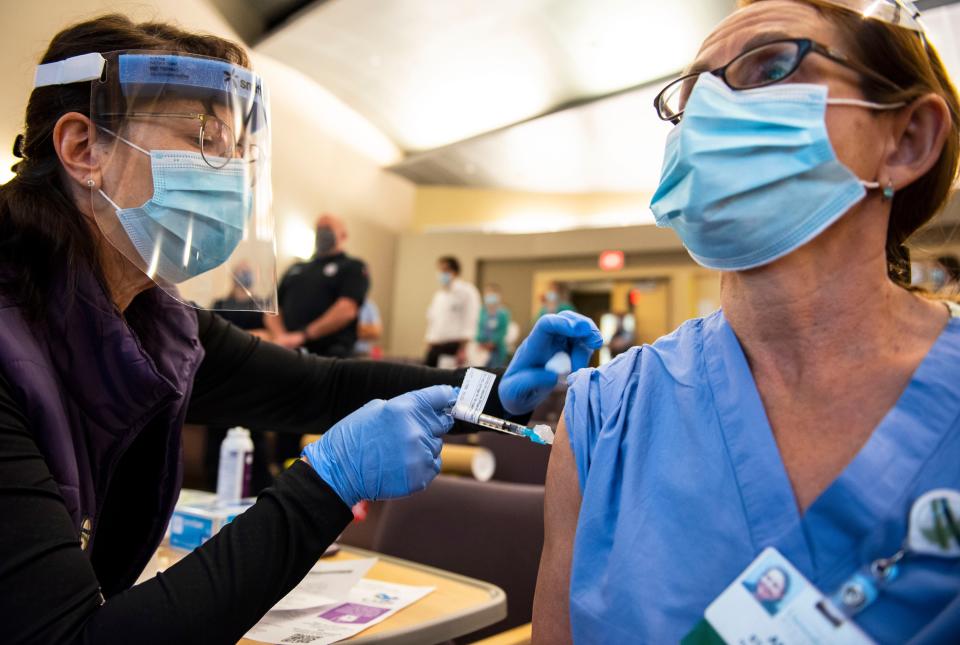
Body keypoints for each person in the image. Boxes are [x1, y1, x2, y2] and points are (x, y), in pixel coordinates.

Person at [0, 15, 601, 644]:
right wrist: (327, 483)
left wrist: (494, 393)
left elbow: (322, 387)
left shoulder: (153, 324)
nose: (228, 174)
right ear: (81, 148)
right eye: (204, 137)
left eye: (236, 153)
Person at [532, 1, 960, 643]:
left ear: (906, 140)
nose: (704, 112)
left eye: (768, 66)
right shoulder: (606, 416)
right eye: (689, 96)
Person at [207, 261, 273, 493]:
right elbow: (212, 338)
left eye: (248, 271)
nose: (244, 275)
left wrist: (233, 339)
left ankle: (258, 492)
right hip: (222, 381)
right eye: (240, 271)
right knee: (218, 438)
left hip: (251, 380)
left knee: (254, 438)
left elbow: (271, 336)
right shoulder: (219, 305)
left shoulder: (261, 305)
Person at [266, 214, 368, 358]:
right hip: (286, 350)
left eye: (327, 228)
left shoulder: (353, 267)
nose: (322, 233)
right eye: (319, 228)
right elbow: (272, 308)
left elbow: (346, 310)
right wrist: (282, 337)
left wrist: (303, 335)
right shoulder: (296, 268)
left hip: (328, 355)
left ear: (343, 235)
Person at [424, 256, 482, 367]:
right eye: (439, 270)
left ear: (454, 271)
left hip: (455, 347)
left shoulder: (467, 291)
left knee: (447, 379)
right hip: (435, 346)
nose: (441, 274)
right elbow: (433, 321)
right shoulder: (439, 296)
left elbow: (471, 319)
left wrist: (463, 348)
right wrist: (430, 341)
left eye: (444, 270)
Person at [477, 284, 512, 368]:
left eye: (492, 294)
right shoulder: (482, 311)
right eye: (488, 294)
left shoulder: (503, 313)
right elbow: (479, 328)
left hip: (497, 349)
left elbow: (503, 331)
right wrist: (480, 341)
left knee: (496, 371)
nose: (489, 297)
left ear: (498, 296)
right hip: (482, 349)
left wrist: (493, 343)